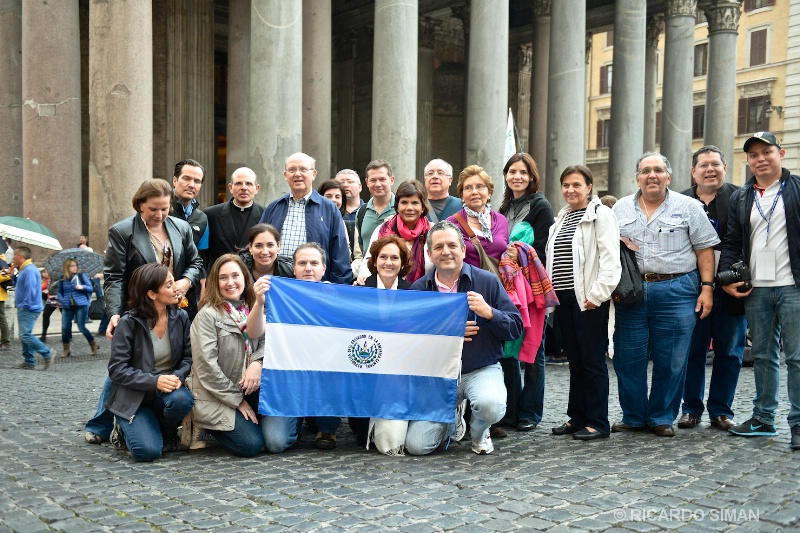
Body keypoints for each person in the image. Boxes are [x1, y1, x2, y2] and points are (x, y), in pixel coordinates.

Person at [84, 178, 203, 445]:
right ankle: (102, 424)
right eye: (153, 209)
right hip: (137, 308)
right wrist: (115, 313)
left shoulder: (181, 227)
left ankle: (148, 422)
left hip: (172, 304)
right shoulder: (122, 231)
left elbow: (195, 262)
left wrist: (185, 281)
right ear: (140, 205)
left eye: (165, 208)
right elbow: (114, 276)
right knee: (122, 368)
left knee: (153, 361)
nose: (160, 215)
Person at [611, 152, 719, 437]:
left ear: (668, 176)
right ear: (637, 178)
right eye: (646, 171)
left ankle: (661, 416)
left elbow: (704, 250)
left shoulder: (690, 207)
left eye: (658, 170)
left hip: (677, 289)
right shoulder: (619, 209)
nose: (652, 175)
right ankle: (633, 416)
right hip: (631, 291)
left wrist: (707, 289)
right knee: (627, 357)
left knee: (671, 359)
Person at [407, 221, 522, 455]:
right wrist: (447, 332)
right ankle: (452, 418)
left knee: (490, 406)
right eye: (438, 247)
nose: (446, 251)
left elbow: (515, 328)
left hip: (480, 368)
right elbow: (409, 340)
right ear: (429, 254)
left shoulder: (487, 281)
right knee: (417, 446)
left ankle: (480, 432)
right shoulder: (419, 289)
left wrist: (490, 313)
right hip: (438, 375)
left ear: (462, 249)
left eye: (452, 245)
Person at [720, 132, 800, 450]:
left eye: (766, 152)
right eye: (754, 155)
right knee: (764, 357)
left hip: (792, 287)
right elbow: (732, 241)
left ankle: (798, 424)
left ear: (780, 153)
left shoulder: (795, 189)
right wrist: (726, 278)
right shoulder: (743, 197)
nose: (760, 159)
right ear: (748, 161)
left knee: (796, 358)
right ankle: (763, 420)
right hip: (757, 289)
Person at [546, 165, 620, 440]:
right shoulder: (562, 218)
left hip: (589, 299)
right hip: (564, 299)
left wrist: (597, 295)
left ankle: (598, 421)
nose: (570, 190)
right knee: (575, 361)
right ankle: (576, 417)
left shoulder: (601, 215)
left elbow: (611, 260)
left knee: (592, 361)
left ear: (589, 187)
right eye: (566, 185)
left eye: (576, 184)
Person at [677, 146, 747, 432]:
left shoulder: (742, 198)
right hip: (690, 289)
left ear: (725, 167)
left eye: (715, 164)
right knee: (691, 351)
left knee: (730, 352)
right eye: (703, 165)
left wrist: (737, 279)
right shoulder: (679, 201)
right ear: (693, 172)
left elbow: (750, 242)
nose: (710, 169)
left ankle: (721, 410)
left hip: (731, 289)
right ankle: (691, 409)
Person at [257, 243, 343, 452]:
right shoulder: (278, 296)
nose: (308, 268)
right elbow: (259, 336)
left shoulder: (338, 298)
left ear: (324, 268)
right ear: (293, 269)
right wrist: (259, 301)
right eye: (302, 263)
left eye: (314, 263)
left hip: (324, 377)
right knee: (276, 442)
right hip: (287, 381)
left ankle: (326, 426)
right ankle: (298, 419)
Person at [106, 263, 194, 461]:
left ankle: (166, 429)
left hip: (168, 392)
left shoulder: (180, 317)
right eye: (169, 285)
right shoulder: (128, 323)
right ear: (152, 294)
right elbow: (117, 369)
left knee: (182, 400)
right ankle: (124, 427)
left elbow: (189, 357)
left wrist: (177, 377)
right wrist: (155, 381)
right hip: (135, 398)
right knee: (148, 452)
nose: (176, 288)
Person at [447, 164, 511, 438]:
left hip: (495, 292)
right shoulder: (453, 222)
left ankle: (488, 418)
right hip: (465, 292)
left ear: (489, 191)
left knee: (495, 347)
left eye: (480, 187)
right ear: (461, 193)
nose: (475, 191)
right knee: (468, 346)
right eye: (469, 187)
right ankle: (461, 407)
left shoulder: (500, 221)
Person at [185, 254, 265, 457]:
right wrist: (237, 400)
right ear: (215, 282)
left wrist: (257, 362)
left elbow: (267, 341)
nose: (230, 282)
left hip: (248, 386)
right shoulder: (207, 316)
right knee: (251, 445)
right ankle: (200, 422)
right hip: (215, 392)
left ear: (245, 278)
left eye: (235, 275)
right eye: (223, 277)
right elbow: (206, 367)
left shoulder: (253, 306)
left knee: (274, 437)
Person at [497, 152, 555, 431]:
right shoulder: (504, 206)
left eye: (523, 172)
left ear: (532, 176)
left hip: (531, 287)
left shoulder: (540, 206)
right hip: (507, 287)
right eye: (512, 172)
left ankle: (531, 411)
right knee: (508, 347)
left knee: (534, 350)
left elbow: (542, 249)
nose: (517, 177)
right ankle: (511, 410)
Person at [349, 235, 413, 451]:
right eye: (383, 257)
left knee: (391, 441)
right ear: (374, 261)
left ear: (402, 263)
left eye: (394, 258)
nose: (388, 262)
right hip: (365, 368)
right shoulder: (358, 291)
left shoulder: (412, 294)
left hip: (397, 373)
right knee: (360, 430)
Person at [260, 153, 351, 284]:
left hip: (317, 286)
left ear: (313, 174)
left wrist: (337, 289)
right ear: (285, 176)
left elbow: (340, 254)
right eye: (292, 170)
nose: (297, 174)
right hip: (278, 285)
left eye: (303, 169)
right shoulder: (273, 208)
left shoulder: (329, 209)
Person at [354, 180, 432, 285]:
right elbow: (369, 260)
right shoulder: (382, 229)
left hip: (423, 294)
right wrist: (363, 278)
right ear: (397, 206)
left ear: (422, 207)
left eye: (415, 203)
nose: (409, 208)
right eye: (404, 202)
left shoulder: (433, 232)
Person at [204, 167, 264, 272]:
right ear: (230, 187)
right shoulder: (210, 215)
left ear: (257, 188)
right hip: (219, 279)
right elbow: (204, 254)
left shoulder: (266, 215)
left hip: (252, 279)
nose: (244, 188)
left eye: (249, 184)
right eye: (238, 183)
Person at [171, 159, 210, 321]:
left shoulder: (202, 218)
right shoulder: (161, 210)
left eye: (197, 181)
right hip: (158, 287)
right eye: (186, 178)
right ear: (175, 180)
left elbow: (200, 257)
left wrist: (200, 288)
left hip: (189, 290)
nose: (191, 184)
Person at [12, 247, 54, 369]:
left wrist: (24, 305)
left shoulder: (29, 270)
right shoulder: (25, 269)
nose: (13, 258)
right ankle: (29, 361)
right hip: (26, 307)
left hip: (28, 308)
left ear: (20, 256)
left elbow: (30, 291)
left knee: (25, 335)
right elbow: (20, 286)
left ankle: (47, 353)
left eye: (15, 255)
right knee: (25, 334)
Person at [351, 160, 397, 272]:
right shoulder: (361, 212)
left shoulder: (401, 209)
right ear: (366, 182)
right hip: (368, 277)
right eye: (373, 180)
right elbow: (362, 248)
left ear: (391, 180)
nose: (377, 184)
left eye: (382, 179)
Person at [57, 258, 98, 357]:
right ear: (67, 267)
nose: (74, 268)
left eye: (75, 265)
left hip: (81, 304)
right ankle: (66, 349)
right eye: (72, 266)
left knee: (81, 327)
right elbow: (59, 291)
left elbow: (90, 288)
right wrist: (62, 300)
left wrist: (82, 287)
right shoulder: (63, 278)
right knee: (65, 327)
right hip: (67, 305)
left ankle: (93, 344)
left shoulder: (81, 276)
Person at [39, 268, 60, 343]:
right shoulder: (51, 275)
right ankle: (43, 335)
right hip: (52, 297)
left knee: (66, 317)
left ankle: (68, 335)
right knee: (45, 315)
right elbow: (46, 285)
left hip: (61, 297)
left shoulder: (63, 272)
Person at [0, 256, 10, 350]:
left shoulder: (1, 260)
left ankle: (5, 341)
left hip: (0, 296)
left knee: (2, 319)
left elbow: (7, 276)